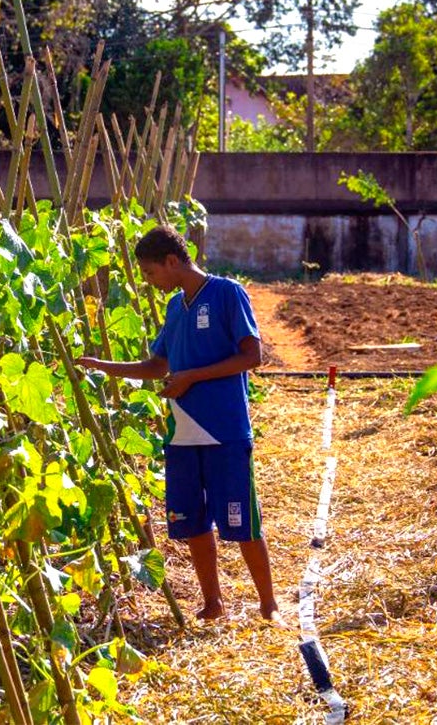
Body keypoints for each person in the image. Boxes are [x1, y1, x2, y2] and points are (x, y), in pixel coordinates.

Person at [75, 225, 281, 623]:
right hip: (181, 431)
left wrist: (191, 378)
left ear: (172, 261)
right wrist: (104, 366)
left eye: (151, 272)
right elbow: (158, 365)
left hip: (224, 429)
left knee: (242, 519)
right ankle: (213, 602)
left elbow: (252, 356)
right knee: (193, 520)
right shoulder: (175, 307)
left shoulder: (226, 293)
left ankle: (269, 604)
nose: (149, 281)